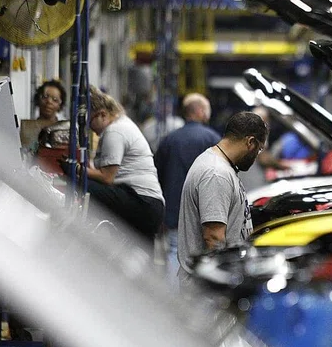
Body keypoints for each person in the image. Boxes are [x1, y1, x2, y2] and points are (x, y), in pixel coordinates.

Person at [69, 87, 165, 249]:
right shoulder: (122, 124)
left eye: (90, 121)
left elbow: (107, 177)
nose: (90, 128)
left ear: (102, 115)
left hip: (141, 202)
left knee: (82, 185)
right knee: (141, 253)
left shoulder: (115, 131)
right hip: (150, 205)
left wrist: (75, 169)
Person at [176, 111, 268, 280]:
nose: (257, 156)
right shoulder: (216, 174)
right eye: (259, 149)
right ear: (250, 142)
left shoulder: (220, 166)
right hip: (205, 285)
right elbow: (213, 237)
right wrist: (225, 282)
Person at [154, 94, 221, 280]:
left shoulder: (169, 140)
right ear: (200, 111)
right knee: (207, 257)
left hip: (175, 212)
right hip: (206, 212)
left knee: (175, 252)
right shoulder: (213, 139)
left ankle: (173, 296)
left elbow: (157, 175)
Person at [20, 79, 67, 152]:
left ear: (60, 105)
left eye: (55, 99)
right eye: (45, 97)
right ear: (38, 99)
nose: (49, 101)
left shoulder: (65, 129)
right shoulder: (26, 127)